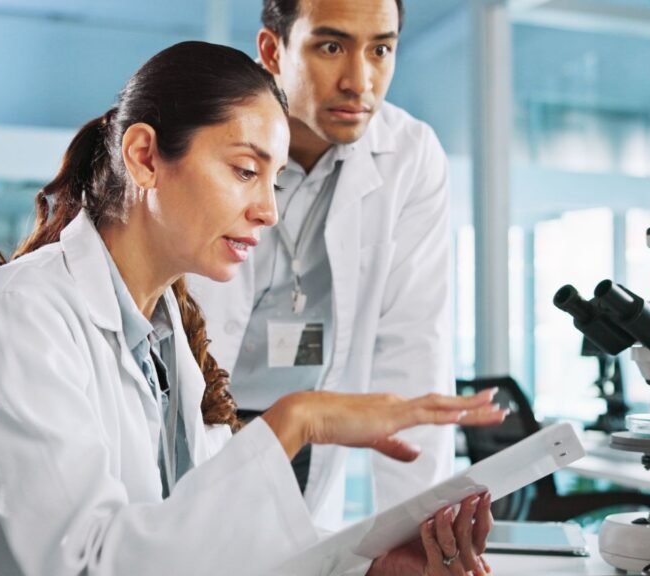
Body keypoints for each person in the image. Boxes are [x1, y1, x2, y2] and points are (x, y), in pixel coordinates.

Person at [0, 41, 504, 576]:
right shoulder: (20, 318)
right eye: (244, 170)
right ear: (145, 156)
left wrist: (366, 567)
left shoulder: (166, 334)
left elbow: (200, 540)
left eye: (274, 180)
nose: (269, 209)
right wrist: (296, 421)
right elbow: (88, 565)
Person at [188, 0, 455, 531]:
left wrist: (419, 531)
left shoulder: (411, 155)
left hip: (315, 434)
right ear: (272, 50)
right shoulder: (202, 137)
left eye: (380, 49)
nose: (360, 81)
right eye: (331, 47)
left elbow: (412, 345)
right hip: (199, 424)